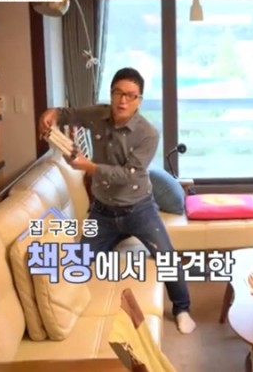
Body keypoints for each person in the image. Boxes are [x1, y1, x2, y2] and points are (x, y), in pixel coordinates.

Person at [38, 67, 196, 334]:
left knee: (166, 255)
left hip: (139, 208)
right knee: (79, 262)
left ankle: (182, 309)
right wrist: (50, 114)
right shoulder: (98, 114)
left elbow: (128, 174)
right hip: (102, 213)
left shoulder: (148, 133)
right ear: (111, 94)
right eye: (118, 93)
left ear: (139, 100)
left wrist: (88, 167)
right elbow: (69, 113)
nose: (123, 101)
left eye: (131, 96)